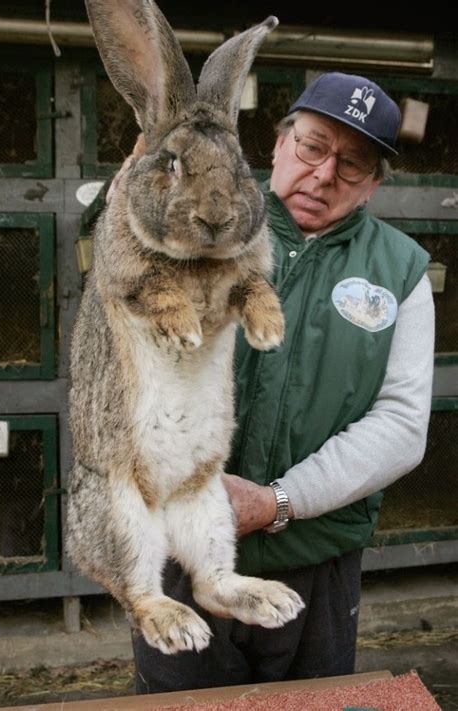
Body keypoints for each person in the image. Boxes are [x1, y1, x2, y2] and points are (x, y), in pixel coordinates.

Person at [93, 72, 435, 692]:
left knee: (309, 702)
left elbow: (403, 425)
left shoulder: (401, 270)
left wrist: (278, 501)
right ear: (277, 145)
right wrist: (125, 194)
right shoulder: (203, 217)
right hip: (182, 546)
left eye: (353, 164)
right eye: (312, 146)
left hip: (317, 560)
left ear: (374, 184)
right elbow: (112, 291)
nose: (325, 174)